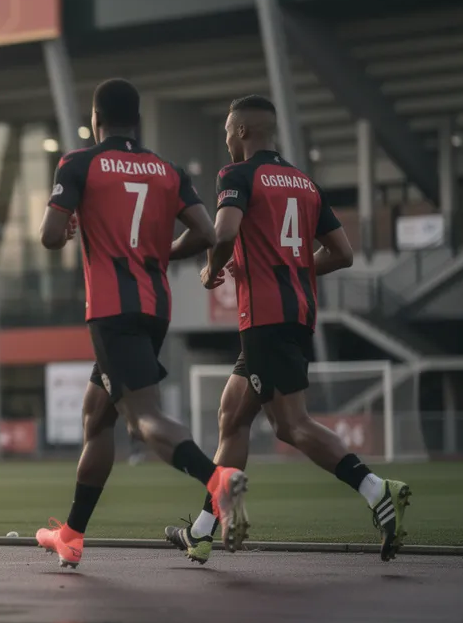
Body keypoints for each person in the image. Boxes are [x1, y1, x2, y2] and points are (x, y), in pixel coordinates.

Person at [167, 94, 411, 564]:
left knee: (290, 424)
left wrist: (211, 269)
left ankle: (378, 489)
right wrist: (292, 270)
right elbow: (342, 253)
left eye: (226, 133)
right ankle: (202, 531)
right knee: (231, 416)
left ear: (241, 131)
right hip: (296, 314)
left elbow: (222, 234)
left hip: (264, 318)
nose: (226, 142)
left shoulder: (236, 176)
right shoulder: (305, 183)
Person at [33, 78, 241, 570]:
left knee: (142, 419)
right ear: (138, 120)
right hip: (155, 308)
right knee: (96, 414)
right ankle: (72, 535)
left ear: (95, 119)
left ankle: (218, 482)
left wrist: (65, 227)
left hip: (109, 309)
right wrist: (158, 255)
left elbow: (48, 236)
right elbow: (209, 233)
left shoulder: (79, 162)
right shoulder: (166, 170)